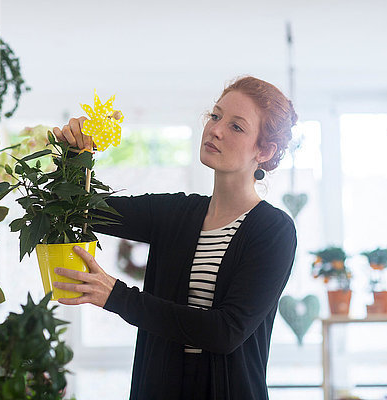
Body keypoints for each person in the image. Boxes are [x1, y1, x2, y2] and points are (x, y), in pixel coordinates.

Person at [51, 76, 298, 400]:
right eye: (215, 115)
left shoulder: (273, 231)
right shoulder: (175, 213)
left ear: (264, 150)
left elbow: (225, 332)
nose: (216, 129)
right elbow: (81, 211)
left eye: (236, 126)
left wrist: (117, 296)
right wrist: (75, 154)